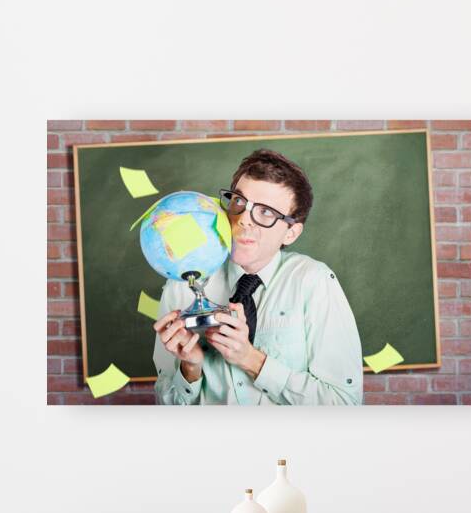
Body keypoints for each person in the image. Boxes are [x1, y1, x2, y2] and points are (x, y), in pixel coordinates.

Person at [152, 149, 363, 405]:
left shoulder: (314, 282)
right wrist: (190, 369)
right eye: (239, 202)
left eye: (266, 212)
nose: (243, 220)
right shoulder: (182, 284)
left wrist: (249, 359)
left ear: (291, 233)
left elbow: (345, 403)